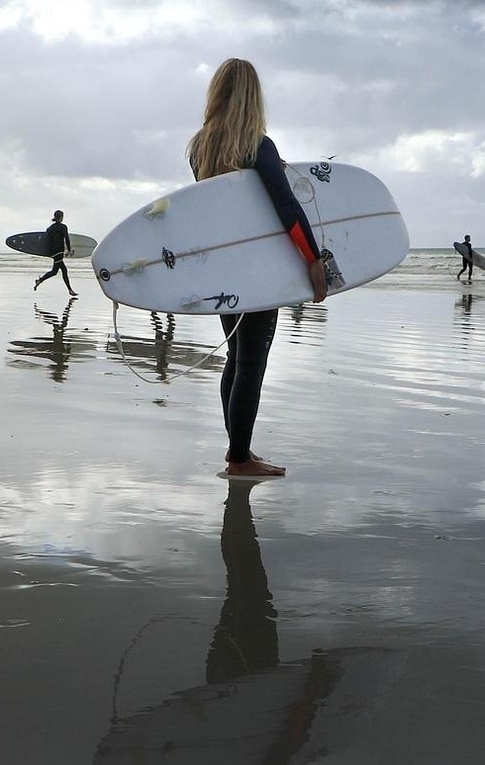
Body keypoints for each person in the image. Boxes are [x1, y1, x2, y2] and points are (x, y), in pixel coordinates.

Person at [188, 58, 330, 478]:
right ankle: (239, 458)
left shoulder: (199, 147)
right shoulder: (257, 145)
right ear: (254, 97)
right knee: (251, 363)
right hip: (260, 272)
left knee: (237, 355)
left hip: (221, 269)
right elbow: (286, 208)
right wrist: (315, 259)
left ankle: (237, 451)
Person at [32, 210, 77, 296]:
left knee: (57, 271)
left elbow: (47, 241)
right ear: (61, 217)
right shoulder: (63, 227)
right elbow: (66, 239)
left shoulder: (50, 228)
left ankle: (40, 281)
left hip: (53, 252)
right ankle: (70, 290)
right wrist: (69, 250)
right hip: (59, 251)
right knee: (60, 270)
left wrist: (49, 252)